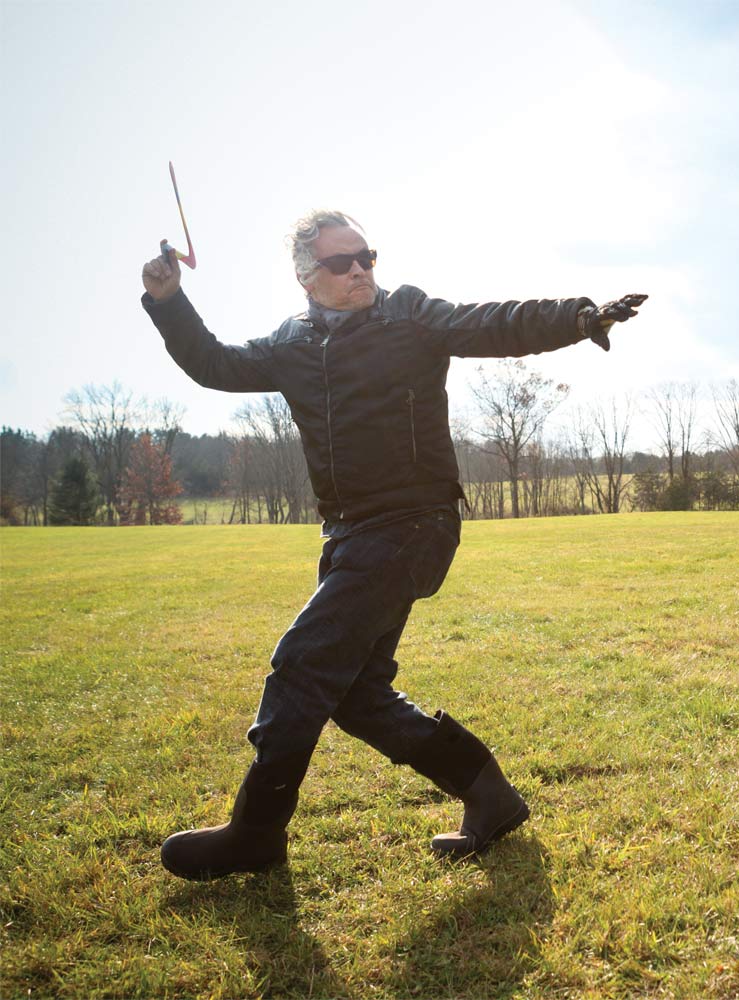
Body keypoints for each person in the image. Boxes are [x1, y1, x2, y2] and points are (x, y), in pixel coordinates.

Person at [139, 209, 645, 881]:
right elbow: (213, 365)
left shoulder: (407, 316)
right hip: (348, 533)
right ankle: (488, 796)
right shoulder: (289, 343)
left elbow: (490, 322)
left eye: (366, 257)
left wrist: (580, 318)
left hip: (414, 523)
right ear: (305, 277)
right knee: (355, 695)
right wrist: (169, 301)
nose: (360, 271)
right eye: (342, 263)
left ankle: (256, 832)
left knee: (302, 665)